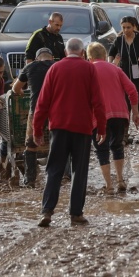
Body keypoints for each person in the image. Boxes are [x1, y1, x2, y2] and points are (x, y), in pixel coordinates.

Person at [34, 38, 106, 227]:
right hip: (82, 129)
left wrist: (37, 129)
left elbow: (42, 102)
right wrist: (101, 127)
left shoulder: (55, 69)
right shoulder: (89, 69)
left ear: (66, 52)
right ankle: (75, 214)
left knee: (54, 170)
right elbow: (98, 101)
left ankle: (47, 212)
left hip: (58, 128)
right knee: (79, 171)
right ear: (82, 53)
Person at [85, 42, 138, 193]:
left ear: (89, 58)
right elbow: (133, 91)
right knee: (117, 146)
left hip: (98, 116)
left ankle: (109, 185)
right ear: (104, 55)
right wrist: (136, 113)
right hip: (120, 115)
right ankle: (120, 180)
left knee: (101, 150)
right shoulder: (116, 69)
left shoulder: (88, 70)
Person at [12, 48, 55, 187]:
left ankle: (30, 180)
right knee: (59, 142)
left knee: (31, 144)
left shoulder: (29, 66)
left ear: (37, 58)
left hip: (36, 110)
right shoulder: (56, 66)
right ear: (52, 58)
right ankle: (63, 176)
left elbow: (15, 88)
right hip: (56, 110)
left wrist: (20, 93)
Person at [109, 16, 139, 142]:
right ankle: (124, 136)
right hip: (124, 78)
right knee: (125, 107)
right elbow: (111, 52)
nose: (126, 30)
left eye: (128, 27)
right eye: (123, 28)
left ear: (134, 27)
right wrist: (111, 63)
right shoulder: (119, 40)